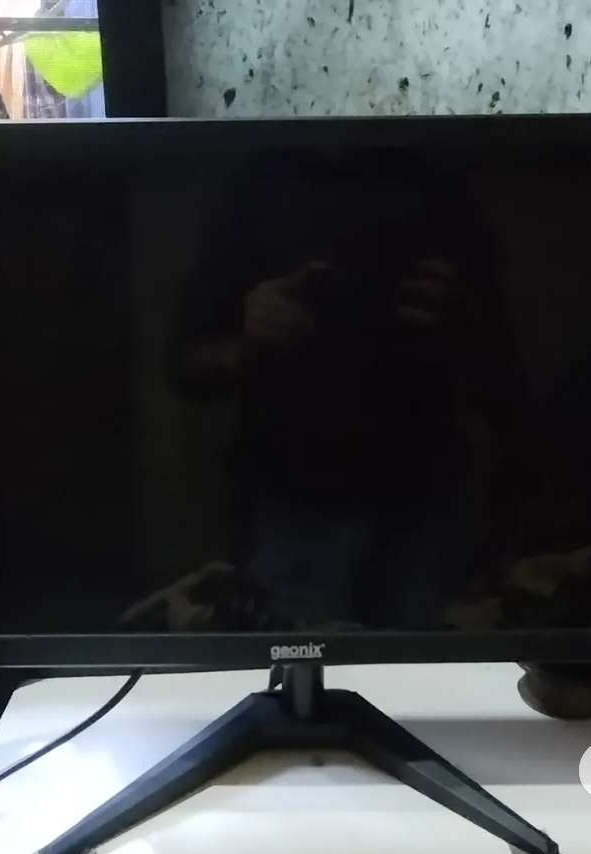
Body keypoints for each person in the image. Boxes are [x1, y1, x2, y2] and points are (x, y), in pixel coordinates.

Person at [168, 153, 508, 629]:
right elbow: (183, 364)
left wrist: (462, 316)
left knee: (422, 665)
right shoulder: (257, 185)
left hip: (425, 502)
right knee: (289, 656)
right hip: (291, 503)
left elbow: (503, 363)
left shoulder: (436, 183)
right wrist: (249, 342)